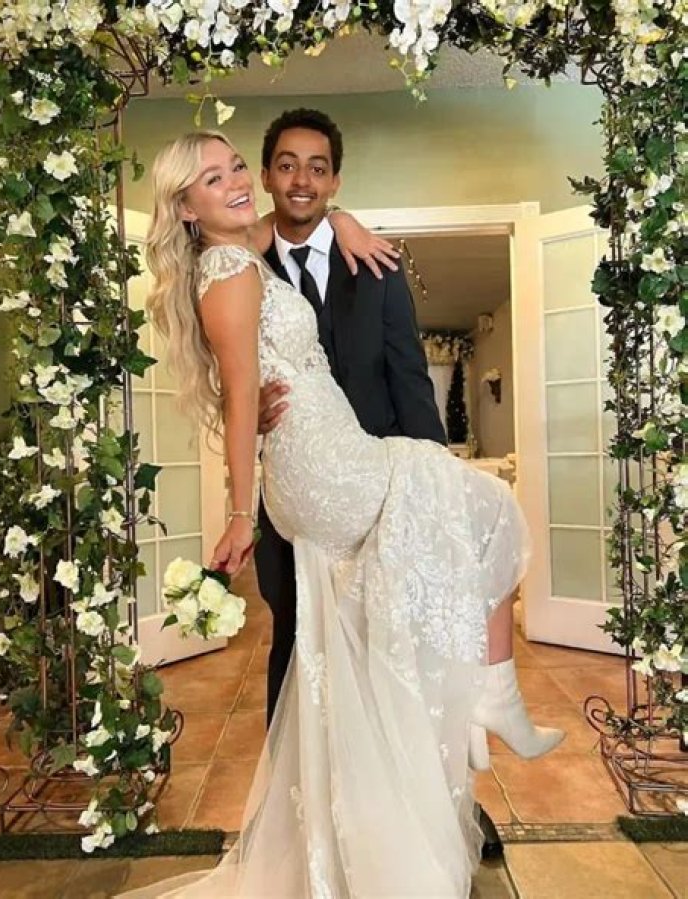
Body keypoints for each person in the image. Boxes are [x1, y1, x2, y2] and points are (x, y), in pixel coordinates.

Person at [125, 131, 564, 899]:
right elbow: (240, 395)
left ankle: (381, 817)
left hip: (331, 453)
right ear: (185, 207)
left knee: (373, 644)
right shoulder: (229, 270)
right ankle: (492, 688)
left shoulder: (237, 248)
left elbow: (285, 233)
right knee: (489, 505)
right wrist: (239, 510)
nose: (237, 182)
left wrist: (345, 219)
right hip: (320, 464)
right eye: (215, 178)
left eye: (234, 167)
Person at [254, 108, 504, 860]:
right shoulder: (240, 266)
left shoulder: (380, 266)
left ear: (336, 180)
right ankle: (296, 816)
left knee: (403, 654)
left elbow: (410, 382)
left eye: (318, 167)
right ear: (266, 176)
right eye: (287, 165)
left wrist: (434, 492)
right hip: (299, 503)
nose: (302, 180)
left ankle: (444, 807)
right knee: (297, 650)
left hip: (385, 497)